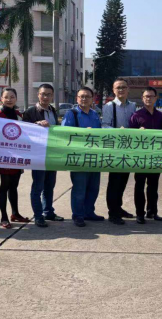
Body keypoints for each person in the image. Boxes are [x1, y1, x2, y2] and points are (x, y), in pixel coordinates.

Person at [23, 84, 64, 227]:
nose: (45, 97)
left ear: (52, 96)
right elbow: (24, 131)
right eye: (43, 94)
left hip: (52, 154)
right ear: (38, 95)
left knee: (49, 185)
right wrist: (36, 124)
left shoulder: (53, 110)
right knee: (38, 186)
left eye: (48, 94)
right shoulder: (30, 111)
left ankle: (48, 212)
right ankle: (38, 215)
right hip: (38, 155)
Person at [62, 87, 103, 227]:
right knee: (79, 188)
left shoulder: (95, 114)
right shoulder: (71, 114)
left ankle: (89, 212)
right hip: (78, 156)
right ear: (77, 98)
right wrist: (83, 133)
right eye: (81, 96)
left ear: (92, 99)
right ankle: (78, 215)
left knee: (93, 187)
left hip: (94, 157)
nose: (84, 99)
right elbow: (65, 134)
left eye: (87, 96)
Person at [0, 88, 29, 229]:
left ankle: (15, 213)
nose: (9, 99)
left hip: (17, 156)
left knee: (14, 186)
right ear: (1, 98)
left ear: (16, 99)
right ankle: (4, 217)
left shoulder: (19, 115)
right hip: (3, 156)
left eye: (12, 97)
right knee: (4, 185)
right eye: (6, 97)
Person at [128, 86, 162, 224]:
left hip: (155, 156)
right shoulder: (136, 116)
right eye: (146, 96)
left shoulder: (160, 116)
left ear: (156, 98)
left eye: (151, 96)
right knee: (139, 186)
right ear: (142, 98)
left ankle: (152, 211)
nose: (148, 99)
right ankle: (140, 213)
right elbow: (130, 138)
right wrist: (138, 132)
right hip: (140, 157)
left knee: (153, 186)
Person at [102, 78, 137, 225]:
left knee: (123, 181)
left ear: (128, 89)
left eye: (123, 87)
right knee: (114, 182)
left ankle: (118, 208)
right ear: (113, 90)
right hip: (115, 149)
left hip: (128, 149)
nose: (121, 90)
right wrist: (118, 131)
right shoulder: (109, 106)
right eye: (118, 88)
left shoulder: (133, 106)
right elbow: (104, 125)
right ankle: (113, 212)